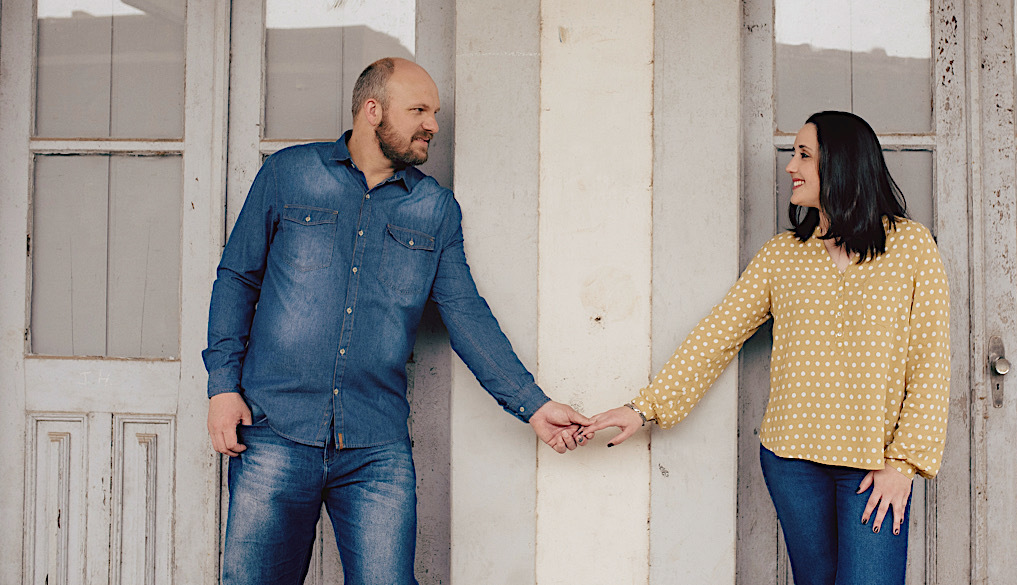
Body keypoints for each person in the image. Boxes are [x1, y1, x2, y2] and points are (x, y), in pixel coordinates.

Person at [204, 57, 591, 585]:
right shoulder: (289, 174)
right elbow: (237, 278)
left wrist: (534, 405)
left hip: (374, 447)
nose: (433, 124)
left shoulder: (435, 210)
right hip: (274, 431)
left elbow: (466, 314)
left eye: (434, 112)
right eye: (419, 110)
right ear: (372, 110)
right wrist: (223, 387)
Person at [586, 111, 951, 585]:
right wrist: (645, 408)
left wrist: (903, 464)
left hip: (873, 465)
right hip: (793, 463)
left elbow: (930, 362)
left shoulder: (911, 247)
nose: (789, 167)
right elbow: (717, 335)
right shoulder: (783, 254)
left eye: (803, 154)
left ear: (840, 163)